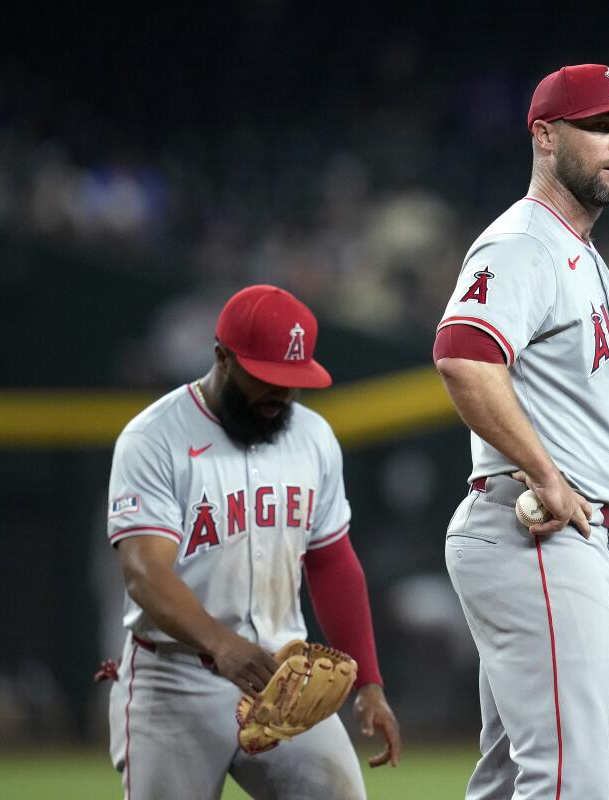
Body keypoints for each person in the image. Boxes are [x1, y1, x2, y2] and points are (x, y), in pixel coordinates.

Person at [433, 63, 609, 799]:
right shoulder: (523, 245)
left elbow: (593, 408)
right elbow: (463, 358)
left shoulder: (583, 255)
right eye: (599, 127)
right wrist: (547, 475)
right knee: (570, 782)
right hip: (531, 532)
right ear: (544, 135)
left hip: (570, 532)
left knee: (510, 780)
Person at [102, 285, 401, 800]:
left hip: (282, 676)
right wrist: (223, 646)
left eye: (294, 380)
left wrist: (368, 682)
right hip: (175, 680)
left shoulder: (312, 437)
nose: (282, 394)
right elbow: (145, 573)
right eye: (267, 378)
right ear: (221, 357)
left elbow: (332, 563)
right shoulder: (154, 438)